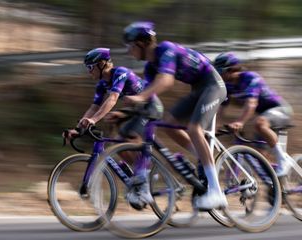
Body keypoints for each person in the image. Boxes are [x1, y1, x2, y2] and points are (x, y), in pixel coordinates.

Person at [122, 21, 228, 210]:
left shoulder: (166, 49)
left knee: (194, 129)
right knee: (168, 123)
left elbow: (166, 80)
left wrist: (139, 97)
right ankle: (204, 158)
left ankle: (216, 192)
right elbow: (149, 97)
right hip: (198, 90)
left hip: (213, 85)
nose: (129, 51)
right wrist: (124, 113)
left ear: (141, 43)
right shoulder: (150, 67)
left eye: (130, 46)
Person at [65, 47, 164, 209]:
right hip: (135, 110)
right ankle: (139, 174)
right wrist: (78, 129)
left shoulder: (121, 73)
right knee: (118, 143)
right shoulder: (102, 84)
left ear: (102, 64)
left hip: (151, 107)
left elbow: (112, 99)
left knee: (129, 135)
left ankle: (144, 176)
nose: (89, 72)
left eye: (90, 67)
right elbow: (93, 107)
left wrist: (94, 120)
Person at [213, 52, 294, 176]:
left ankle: (283, 159)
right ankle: (276, 189)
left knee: (260, 123)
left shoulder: (250, 77)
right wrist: (215, 126)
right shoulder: (228, 86)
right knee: (262, 158)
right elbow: (221, 108)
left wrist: (240, 122)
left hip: (281, 110)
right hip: (265, 116)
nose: (218, 74)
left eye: (220, 71)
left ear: (231, 69)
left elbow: (251, 104)